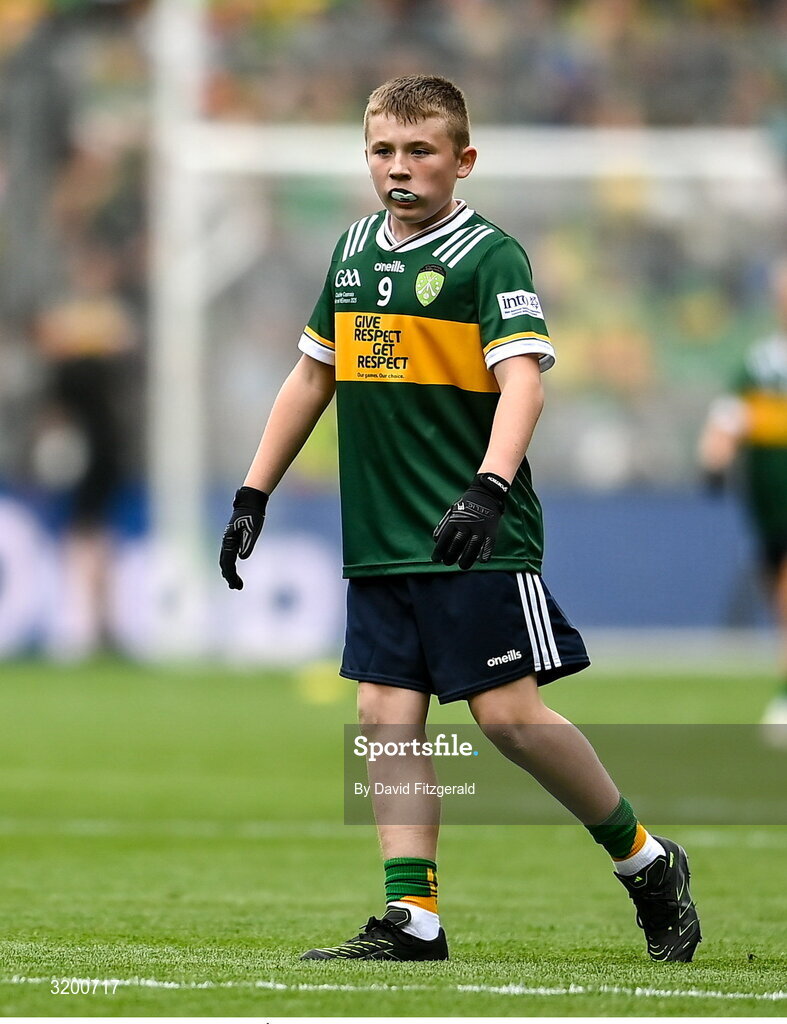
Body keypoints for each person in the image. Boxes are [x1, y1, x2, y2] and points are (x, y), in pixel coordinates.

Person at [220, 74, 701, 963]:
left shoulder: (490, 257)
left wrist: (488, 485)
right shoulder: (353, 251)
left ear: (461, 160)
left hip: (470, 527)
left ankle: (644, 859)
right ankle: (414, 918)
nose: (398, 168)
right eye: (382, 151)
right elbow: (313, 376)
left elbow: (524, 379)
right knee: (381, 717)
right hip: (379, 534)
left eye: (419, 151)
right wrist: (254, 492)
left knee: (508, 720)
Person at [699, 259, 787, 731]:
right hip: (771, 506)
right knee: (780, 597)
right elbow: (728, 418)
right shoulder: (762, 363)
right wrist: (715, 457)